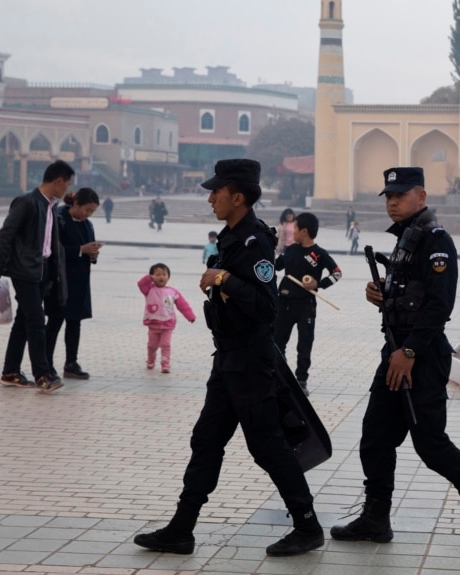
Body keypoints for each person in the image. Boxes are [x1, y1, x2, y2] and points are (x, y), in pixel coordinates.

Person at [134, 159, 324, 557]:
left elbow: (266, 306)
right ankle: (181, 529)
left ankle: (307, 526)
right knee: (205, 441)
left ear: (238, 196)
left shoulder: (255, 241)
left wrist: (225, 279)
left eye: (216, 192)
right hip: (228, 359)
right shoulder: (230, 237)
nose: (210, 198)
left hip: (252, 362)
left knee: (268, 446)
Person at [330, 166, 460, 550]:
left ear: (422, 197)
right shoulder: (406, 240)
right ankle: (376, 518)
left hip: (420, 357)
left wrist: (409, 352)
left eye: (400, 195)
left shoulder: (435, 241)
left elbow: (439, 306)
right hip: (395, 353)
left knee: (430, 443)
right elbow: (411, 295)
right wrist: (381, 293)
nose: (392, 202)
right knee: (375, 437)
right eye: (389, 197)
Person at [0, 160, 74, 393]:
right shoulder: (26, 202)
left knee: (24, 321)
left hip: (41, 271)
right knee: (36, 320)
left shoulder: (50, 206)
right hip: (24, 271)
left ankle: (10, 371)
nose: (67, 189)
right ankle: (43, 375)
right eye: (66, 184)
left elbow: (50, 243)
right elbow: (6, 234)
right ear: (57, 181)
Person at [274, 212, 342, 396]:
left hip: (306, 305)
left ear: (304, 231)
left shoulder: (319, 254)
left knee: (305, 343)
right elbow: (275, 266)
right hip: (284, 302)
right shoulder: (291, 250)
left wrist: (318, 284)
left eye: (295, 228)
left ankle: (301, 380)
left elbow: (337, 274)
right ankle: (280, 375)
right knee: (278, 340)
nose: (292, 231)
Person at [45, 188, 101, 380]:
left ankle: (71, 363)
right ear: (76, 204)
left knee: (74, 322)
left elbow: (88, 250)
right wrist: (79, 250)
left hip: (80, 281)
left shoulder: (88, 225)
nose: (88, 215)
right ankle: (46, 365)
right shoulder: (59, 219)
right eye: (87, 210)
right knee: (54, 322)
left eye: (92, 212)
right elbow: (52, 249)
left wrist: (92, 253)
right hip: (60, 281)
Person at [137, 263, 196, 373]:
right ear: (152, 277)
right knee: (152, 345)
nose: (161, 277)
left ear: (168, 277)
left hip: (168, 323)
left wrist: (190, 316)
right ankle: (150, 360)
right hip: (153, 322)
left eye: (164, 274)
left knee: (165, 344)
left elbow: (183, 305)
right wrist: (149, 278)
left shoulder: (173, 292)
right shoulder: (148, 290)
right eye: (157, 274)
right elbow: (141, 284)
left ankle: (165, 364)